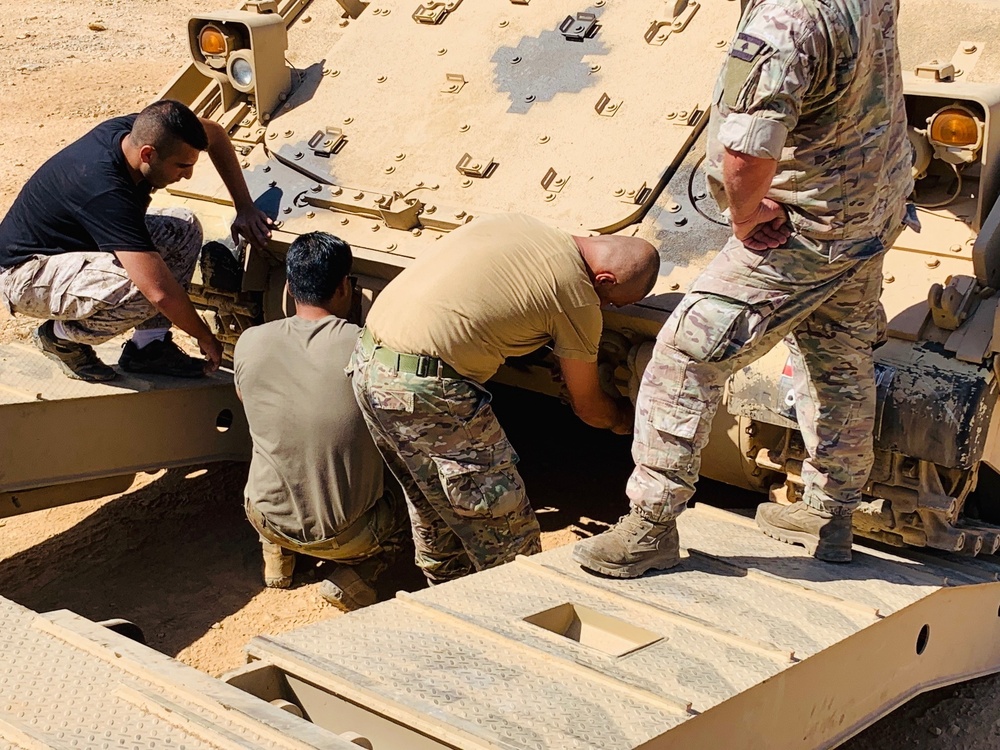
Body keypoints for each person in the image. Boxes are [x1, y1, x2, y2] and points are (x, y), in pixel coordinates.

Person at [573, 0, 914, 576]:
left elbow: (746, 152)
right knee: (838, 357)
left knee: (686, 354)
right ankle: (830, 513)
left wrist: (743, 215)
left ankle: (652, 523)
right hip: (872, 210)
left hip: (805, 229)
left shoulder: (782, 21)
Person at [351, 212, 659, 584]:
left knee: (433, 504)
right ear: (603, 279)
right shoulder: (577, 298)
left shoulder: (522, 223)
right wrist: (628, 421)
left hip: (369, 363)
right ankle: (520, 605)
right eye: (611, 301)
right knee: (504, 523)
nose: (606, 309)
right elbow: (589, 407)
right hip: (426, 389)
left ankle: (445, 595)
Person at [0, 99, 272, 381]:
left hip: (78, 247)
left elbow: (213, 133)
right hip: (26, 273)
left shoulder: (144, 129)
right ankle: (59, 338)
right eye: (181, 166)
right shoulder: (105, 190)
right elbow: (160, 292)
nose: (188, 175)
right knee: (143, 288)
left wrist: (245, 206)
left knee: (184, 228)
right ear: (148, 154)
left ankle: (148, 347)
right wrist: (205, 338)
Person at [234, 232, 408, 611]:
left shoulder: (249, 341)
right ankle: (354, 579)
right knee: (410, 506)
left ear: (291, 287)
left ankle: (277, 559)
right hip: (350, 536)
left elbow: (249, 401)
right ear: (345, 286)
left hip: (263, 516)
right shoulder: (369, 350)